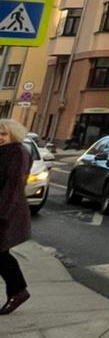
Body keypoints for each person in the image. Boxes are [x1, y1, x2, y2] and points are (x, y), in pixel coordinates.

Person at [0, 118, 33, 315]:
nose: (0, 138)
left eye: (3, 134)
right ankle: (18, 291)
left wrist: (2, 214)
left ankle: (18, 291)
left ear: (13, 135)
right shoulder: (4, 152)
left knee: (1, 253)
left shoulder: (16, 153)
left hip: (6, 211)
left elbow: (13, 188)